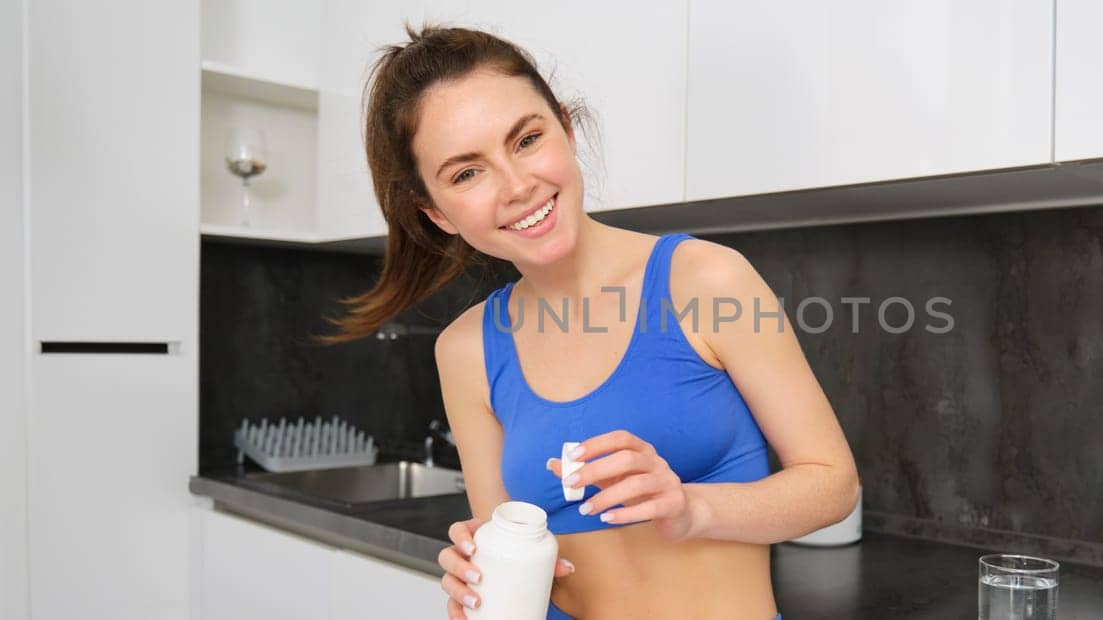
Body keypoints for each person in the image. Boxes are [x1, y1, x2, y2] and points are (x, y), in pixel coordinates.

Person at [324, 25, 859, 620]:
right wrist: (480, 581)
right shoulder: (467, 349)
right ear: (436, 213)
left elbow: (833, 484)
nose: (518, 185)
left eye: (526, 139)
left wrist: (692, 508)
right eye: (466, 173)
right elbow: (508, 546)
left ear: (566, 129)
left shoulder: (708, 282)